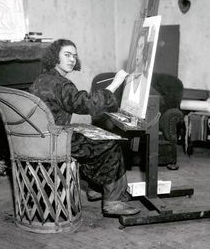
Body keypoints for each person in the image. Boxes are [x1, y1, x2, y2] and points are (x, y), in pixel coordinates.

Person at [29, 38, 140, 217]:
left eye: (74, 55)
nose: (72, 59)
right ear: (54, 57)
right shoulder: (60, 84)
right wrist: (115, 85)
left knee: (92, 135)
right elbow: (87, 105)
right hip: (55, 141)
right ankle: (113, 202)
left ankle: (96, 189)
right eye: (67, 55)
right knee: (110, 143)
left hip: (40, 138)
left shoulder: (42, 79)